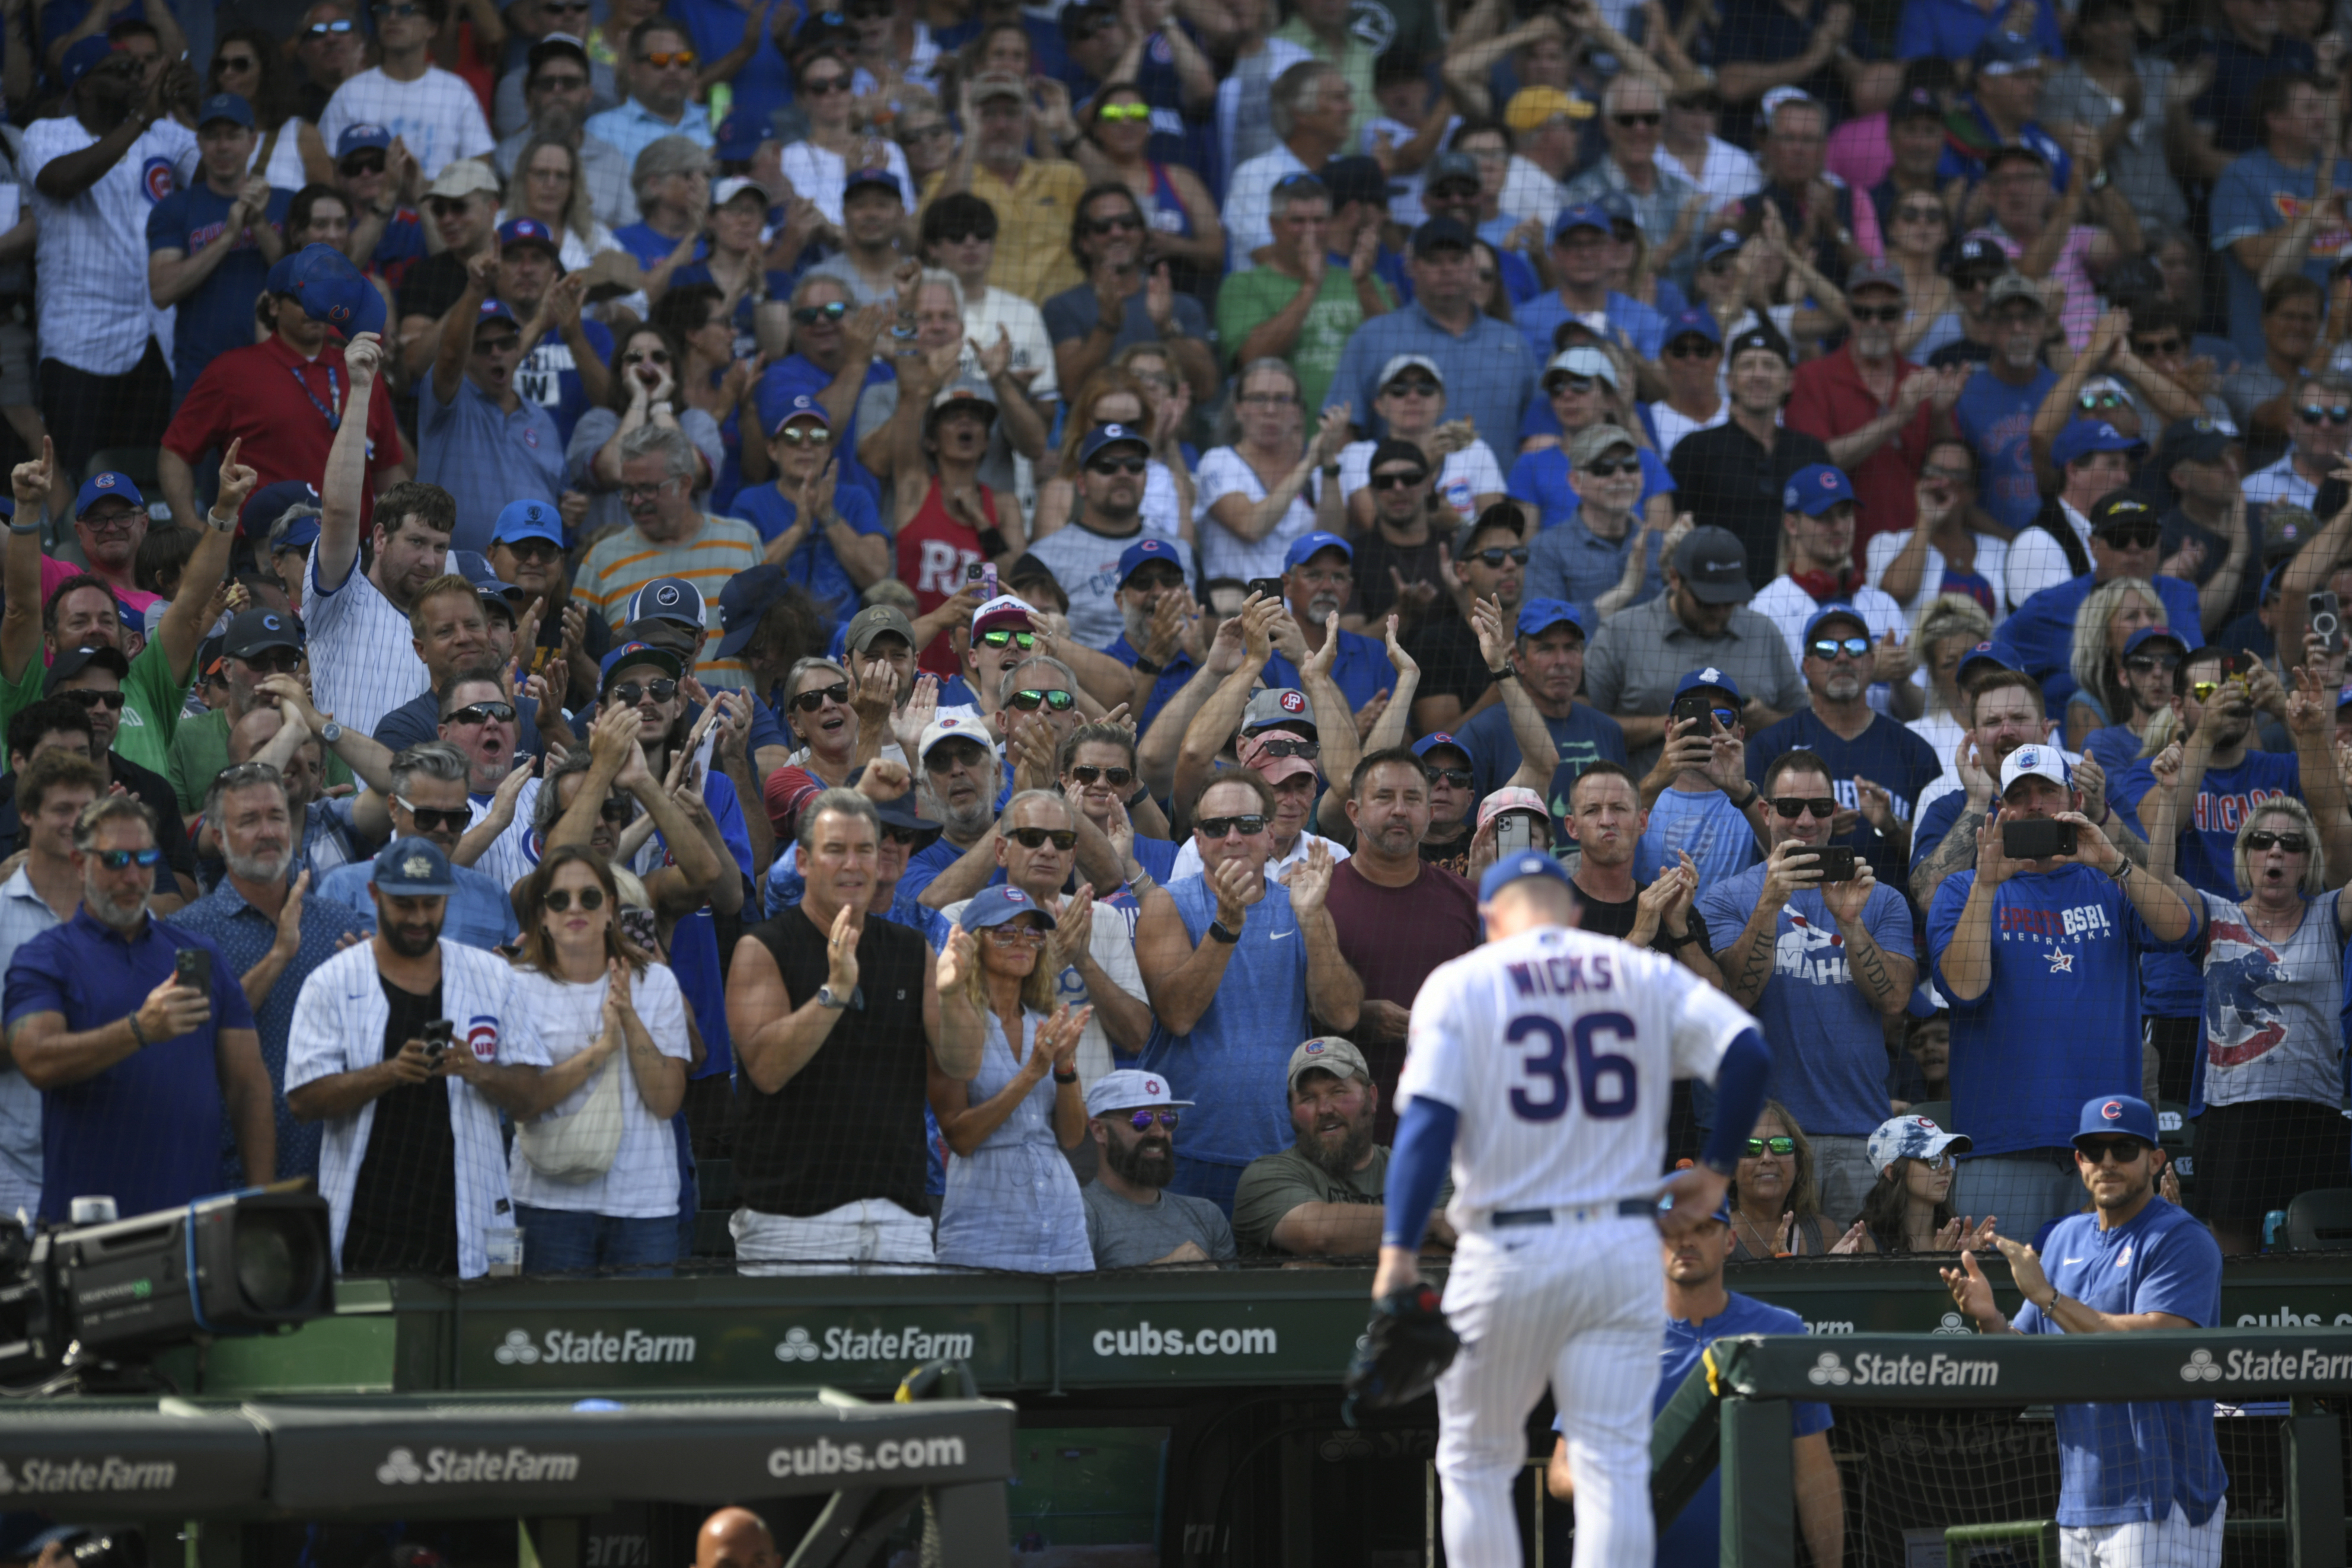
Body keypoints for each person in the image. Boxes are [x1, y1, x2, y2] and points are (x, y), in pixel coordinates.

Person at [1370, 849, 1770, 1568]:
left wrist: (1398, 1252)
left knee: (1474, 1462)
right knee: (1612, 1465)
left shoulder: (1461, 982)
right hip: (1619, 1251)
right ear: (1574, 913)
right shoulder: (1637, 971)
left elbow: (1426, 1126)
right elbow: (1748, 1050)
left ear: (1491, 918)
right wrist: (1714, 1174)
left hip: (1505, 1250)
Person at [1941, 1094, 2227, 1564]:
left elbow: (2157, 1342)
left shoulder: (2182, 1238)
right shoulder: (2064, 1237)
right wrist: (1989, 1318)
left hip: (2164, 1499)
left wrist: (2048, 1298)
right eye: (2094, 1150)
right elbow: (2024, 1358)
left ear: (2155, 1159)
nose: (2108, 1162)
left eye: (2124, 1148)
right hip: (2080, 1501)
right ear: (2079, 1161)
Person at [1927, 745, 2201, 1237]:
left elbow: (2178, 928)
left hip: (2106, 1148)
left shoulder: (2108, 883)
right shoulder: (1961, 889)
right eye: (2020, 794)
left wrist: (2111, 860)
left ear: (2073, 798)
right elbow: (1965, 988)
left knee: (2103, 1306)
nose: (2035, 805)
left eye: (2046, 791)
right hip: (2002, 1146)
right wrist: (1987, 886)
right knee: (2004, 1303)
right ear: (2000, 811)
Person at [285, 837, 561, 1277]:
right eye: (404, 903)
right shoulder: (330, 982)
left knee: (487, 1340)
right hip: (367, 1226)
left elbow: (532, 1098)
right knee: (375, 1344)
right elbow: (302, 1102)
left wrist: (477, 1071)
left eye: (431, 904)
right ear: (375, 895)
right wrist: (389, 1073)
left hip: (482, 1219)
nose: (418, 917)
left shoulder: (492, 976)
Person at [724, 788, 975, 1272]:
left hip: (898, 1214)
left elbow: (962, 1063)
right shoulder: (763, 946)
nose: (856, 863)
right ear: (802, 860)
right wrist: (835, 991)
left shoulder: (913, 948)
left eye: (865, 848)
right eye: (835, 849)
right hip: (790, 1216)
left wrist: (952, 996)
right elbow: (767, 1070)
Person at [1542, 1193, 1844, 1568]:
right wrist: (1609, 1488)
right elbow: (1561, 1472)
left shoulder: (1782, 1330)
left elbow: (1814, 1472)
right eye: (1672, 1229)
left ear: (1730, 1241)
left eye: (1703, 1228)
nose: (1686, 1241)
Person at [5, 794, 267, 1222]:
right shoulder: (46, 956)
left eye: (145, 858)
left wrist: (262, 1200)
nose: (132, 875)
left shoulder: (195, 956)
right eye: (115, 860)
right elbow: (36, 1059)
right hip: (91, 1228)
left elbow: (248, 1085)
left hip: (195, 1223)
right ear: (79, 863)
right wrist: (139, 1029)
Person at [1697, 748, 1918, 1223]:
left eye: (1819, 808)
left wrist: (1851, 923)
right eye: (1789, 807)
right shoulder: (1727, 897)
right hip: (1763, 1140)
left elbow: (1895, 999)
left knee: (1858, 1283)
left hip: (1859, 1133)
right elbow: (1735, 997)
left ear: (1833, 813)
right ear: (1765, 810)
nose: (1803, 821)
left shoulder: (1879, 898)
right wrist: (1768, 905)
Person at [1134, 772, 1361, 1212]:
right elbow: (1177, 1015)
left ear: (1271, 834)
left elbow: (1342, 1014)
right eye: (1217, 827)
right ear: (1198, 840)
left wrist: (1312, 920)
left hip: (1279, 1149)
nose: (1233, 837)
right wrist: (1225, 928)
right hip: (1181, 1146)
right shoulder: (1168, 902)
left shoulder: (1304, 905)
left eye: (1248, 824)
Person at [173, 760, 371, 1188]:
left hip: (334, 1179)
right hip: (227, 1179)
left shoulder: (342, 924)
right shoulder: (188, 933)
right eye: (248, 820)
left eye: (276, 816)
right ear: (219, 840)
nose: (267, 831)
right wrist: (279, 955)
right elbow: (191, 1037)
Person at [504, 845, 691, 1275]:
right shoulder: (517, 986)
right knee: (552, 1339)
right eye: (558, 899)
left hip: (643, 1206)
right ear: (542, 915)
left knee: (640, 1342)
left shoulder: (656, 983)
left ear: (610, 909)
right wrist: (601, 1050)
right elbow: (523, 1102)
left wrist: (628, 1016)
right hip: (546, 1205)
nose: (575, 908)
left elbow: (666, 1102)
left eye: (589, 898)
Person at [24, 39, 197, 478]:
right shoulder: (47, 134)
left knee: (144, 478)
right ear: (83, 86)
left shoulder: (164, 134)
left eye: (139, 70)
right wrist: (143, 118)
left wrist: (188, 107)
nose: (135, 79)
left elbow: (219, 174)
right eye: (120, 71)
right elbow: (62, 180)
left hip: (154, 337)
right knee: (81, 476)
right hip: (80, 341)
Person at [159, 248, 411, 539]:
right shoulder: (232, 372)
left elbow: (388, 473)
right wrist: (192, 527)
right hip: (263, 556)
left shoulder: (362, 369)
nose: (315, 306)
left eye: (324, 296)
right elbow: (174, 453)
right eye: (301, 298)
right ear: (274, 305)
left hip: (351, 550)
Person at [928, 886, 1094, 1272]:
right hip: (983, 1223)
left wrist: (1064, 1067)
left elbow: (1071, 1137)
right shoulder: (952, 1023)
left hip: (1062, 1222)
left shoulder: (1044, 1022)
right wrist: (1033, 1072)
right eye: (1005, 931)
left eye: (1033, 933)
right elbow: (961, 1138)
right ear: (973, 945)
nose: (1022, 941)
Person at [1325, 748, 1479, 1114]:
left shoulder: (1469, 899)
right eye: (1383, 797)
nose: (1399, 810)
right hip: (1343, 1121)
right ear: (1354, 813)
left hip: (1444, 1121)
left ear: (1428, 813)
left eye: (1412, 798)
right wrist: (1358, 1017)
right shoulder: (1316, 896)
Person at [1584, 527, 1807, 777]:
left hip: (1749, 810)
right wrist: (1675, 724)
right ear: (1675, 578)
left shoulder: (1763, 631)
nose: (1720, 610)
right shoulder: (1621, 632)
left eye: (1730, 600)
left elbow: (1806, 724)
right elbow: (1584, 725)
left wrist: (1765, 720)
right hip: (1650, 807)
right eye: (1707, 601)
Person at [1322, 216, 1538, 459]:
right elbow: (1341, 431)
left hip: (1497, 494)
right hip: (1400, 491)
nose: (1447, 269)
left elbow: (1536, 434)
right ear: (1413, 267)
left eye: (1456, 260)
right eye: (1434, 261)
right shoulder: (1373, 338)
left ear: (1472, 265)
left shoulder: (1513, 343)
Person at [575, 425, 764, 688]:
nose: (636, 501)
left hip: (734, 721)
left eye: (648, 489)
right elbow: (579, 655)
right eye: (628, 490)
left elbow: (769, 641)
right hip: (644, 723)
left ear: (685, 484)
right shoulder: (602, 560)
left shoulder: (742, 542)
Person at [1231, 1036, 1453, 1257]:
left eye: (1338, 1092)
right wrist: (1429, 1222)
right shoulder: (1265, 1176)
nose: (1324, 1109)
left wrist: (1322, 1265)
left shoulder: (1425, 1172)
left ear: (1372, 1099)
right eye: (1308, 1098)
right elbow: (1317, 1235)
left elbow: (1450, 1251)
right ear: (1292, 1112)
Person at [0, 751, 101, 1221]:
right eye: (62, 810)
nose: (76, 822)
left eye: (87, 810)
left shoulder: (120, 915)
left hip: (104, 1159)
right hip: (12, 1166)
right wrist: (43, 1038)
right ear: (27, 814)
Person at [148, 92, 292, 408]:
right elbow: (161, 291)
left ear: (253, 141)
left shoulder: (286, 203)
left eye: (233, 136)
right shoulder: (175, 209)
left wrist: (259, 224)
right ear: (199, 142)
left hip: (279, 373)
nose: (223, 146)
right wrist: (228, 236)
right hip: (202, 376)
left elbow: (307, 285)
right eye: (212, 136)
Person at [315, 741, 522, 951]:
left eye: (456, 818)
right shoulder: (344, 888)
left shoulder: (492, 895)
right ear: (394, 809)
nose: (443, 828)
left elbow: (513, 972)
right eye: (428, 816)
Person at [1214, 171, 1391, 416]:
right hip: (1282, 431)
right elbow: (1252, 359)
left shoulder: (1362, 278)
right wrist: (1310, 286)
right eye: (1297, 221)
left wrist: (1362, 282)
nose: (1310, 231)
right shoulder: (1242, 285)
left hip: (1357, 429)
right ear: (1273, 225)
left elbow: (1392, 348)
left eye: (1319, 220)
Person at [423, 254, 566, 551]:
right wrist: (476, 288)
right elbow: (449, 357)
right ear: (468, 355)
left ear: (519, 348)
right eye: (483, 347)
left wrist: (571, 506)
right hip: (452, 577)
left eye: (506, 344)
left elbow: (556, 493)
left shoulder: (541, 420)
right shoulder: (449, 401)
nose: (496, 354)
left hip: (527, 575)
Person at [1668, 329, 1836, 580]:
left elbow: (1831, 527)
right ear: (1730, 381)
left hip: (1798, 597)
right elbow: (1677, 536)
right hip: (1717, 600)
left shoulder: (1811, 452)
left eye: (1770, 365)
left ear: (1790, 380)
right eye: (1747, 365)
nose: (1758, 375)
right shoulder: (1695, 449)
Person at [914, 74, 1088, 305]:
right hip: (984, 317)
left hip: (1064, 322)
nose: (1001, 125)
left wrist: (1067, 129)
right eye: (989, 115)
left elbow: (1121, 195)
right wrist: (972, 137)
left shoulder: (1064, 176)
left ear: (1028, 121)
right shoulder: (946, 181)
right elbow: (932, 232)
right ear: (970, 121)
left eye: (1012, 114)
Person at [2212, 71, 2349, 364]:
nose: (2320, 117)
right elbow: (2252, 256)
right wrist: (2312, 218)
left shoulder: (2345, 173)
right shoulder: (2242, 176)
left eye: (2321, 108)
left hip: (2339, 349)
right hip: (2266, 356)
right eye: (2308, 108)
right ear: (2275, 120)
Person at [1046, 182, 1218, 404]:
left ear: (1141, 234)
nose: (1117, 233)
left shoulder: (1184, 306)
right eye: (1102, 227)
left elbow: (1205, 389)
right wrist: (1107, 325)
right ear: (1084, 242)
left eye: (1128, 223)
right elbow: (1071, 390)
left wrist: (1166, 327)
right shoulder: (1062, 307)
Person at [568, 324, 727, 539]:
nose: (647, 364)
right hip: (616, 564)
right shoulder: (597, 422)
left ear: (674, 370)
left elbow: (688, 472)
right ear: (620, 370)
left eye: (659, 357)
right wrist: (640, 400)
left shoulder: (697, 422)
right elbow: (616, 469)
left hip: (684, 564)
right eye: (634, 357)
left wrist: (660, 404)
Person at [317, 0, 494, 179]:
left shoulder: (456, 91)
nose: (393, 18)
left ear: (432, 28)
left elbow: (480, 170)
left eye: (407, 10)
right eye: (384, 9)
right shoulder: (350, 93)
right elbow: (328, 170)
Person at [1081, 1068, 1237, 1268]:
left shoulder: (1207, 1215)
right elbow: (1073, 1296)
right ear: (1100, 1130)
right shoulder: (1078, 1213)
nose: (1159, 1132)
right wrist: (1162, 1271)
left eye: (1167, 1119)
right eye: (1141, 1119)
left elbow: (1232, 1297)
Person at [1954, 274, 2062, 536]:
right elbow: (1956, 494)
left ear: (2044, 325)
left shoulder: (2062, 391)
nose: (2018, 328)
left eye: (2028, 317)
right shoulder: (1964, 396)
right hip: (1990, 546)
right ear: (1987, 327)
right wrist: (2014, 543)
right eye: (2005, 319)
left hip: (2061, 544)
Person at [493, 37, 636, 231]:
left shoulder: (612, 159)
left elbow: (630, 231)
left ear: (588, 95)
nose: (558, 90)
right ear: (529, 95)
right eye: (547, 83)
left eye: (570, 83)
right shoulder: (505, 157)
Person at [1851, 1112, 1996, 1251]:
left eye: (1947, 1157)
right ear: (1892, 1172)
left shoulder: (1964, 1238)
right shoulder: (1865, 1242)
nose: (1947, 1169)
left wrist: (1973, 1264)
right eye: (1932, 1159)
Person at [582, 15, 714, 166]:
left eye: (682, 60)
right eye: (660, 60)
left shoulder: (713, 122)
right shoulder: (603, 129)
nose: (672, 69)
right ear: (633, 70)